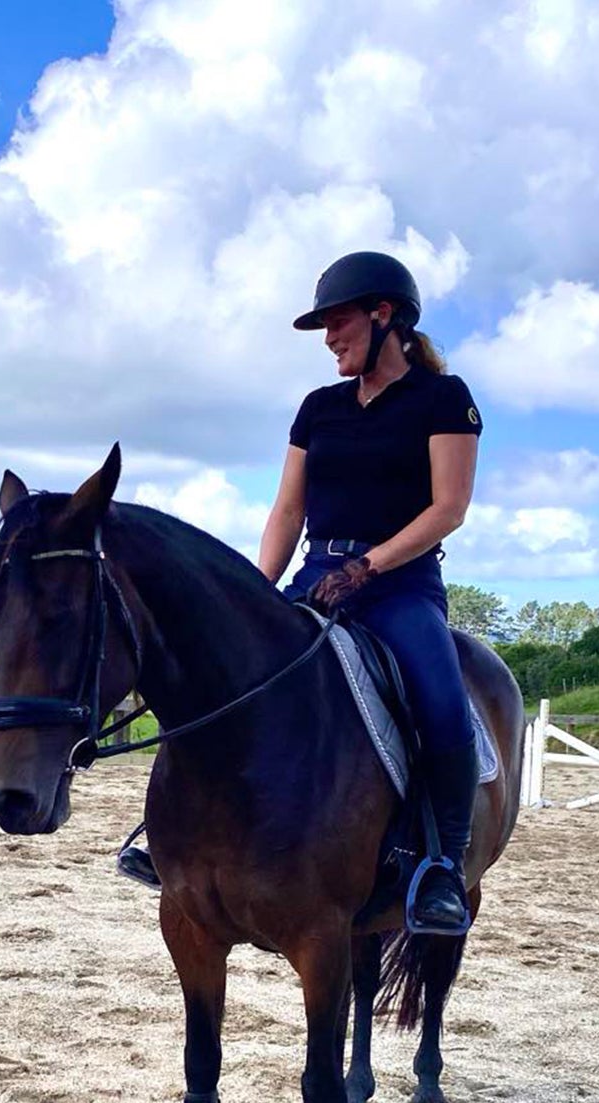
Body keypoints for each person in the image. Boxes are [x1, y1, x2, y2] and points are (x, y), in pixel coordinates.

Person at [119, 251, 481, 935]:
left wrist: (369, 567)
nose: (329, 339)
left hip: (401, 587)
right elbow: (287, 511)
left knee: (440, 705)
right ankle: (167, 837)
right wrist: (252, 597)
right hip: (315, 575)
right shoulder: (319, 409)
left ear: (385, 316)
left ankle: (442, 868)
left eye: (338, 322)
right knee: (223, 681)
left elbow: (448, 507)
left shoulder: (442, 399)